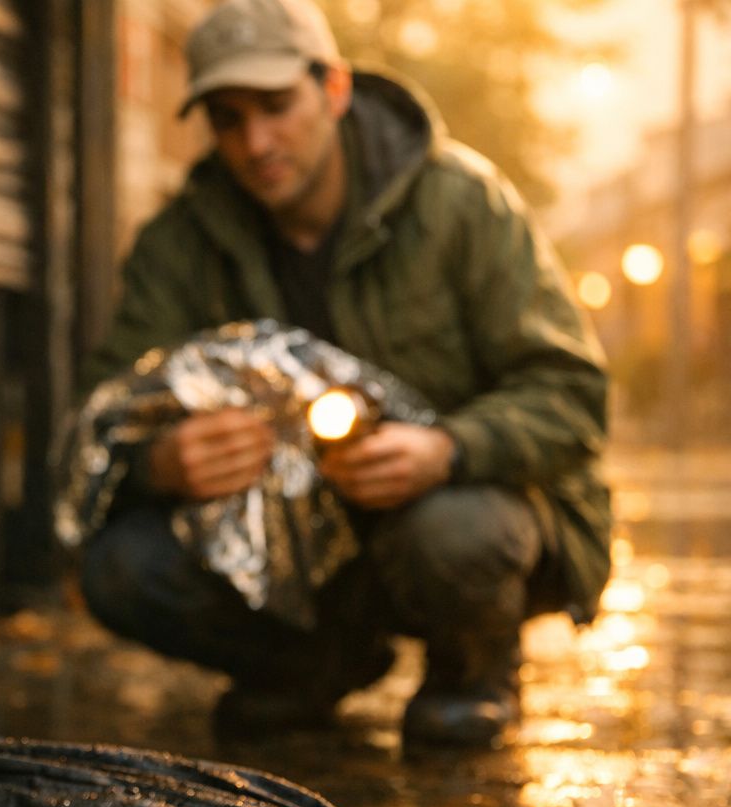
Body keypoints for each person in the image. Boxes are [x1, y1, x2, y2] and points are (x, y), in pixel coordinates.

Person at [74, 0, 611, 748]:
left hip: (444, 520)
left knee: (456, 534)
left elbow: (573, 392)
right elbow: (102, 412)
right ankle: (307, 666)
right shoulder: (180, 240)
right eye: (228, 119)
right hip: (287, 544)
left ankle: (471, 669)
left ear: (333, 89)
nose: (256, 142)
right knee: (121, 568)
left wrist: (450, 450)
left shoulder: (461, 201)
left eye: (275, 106)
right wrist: (160, 461)